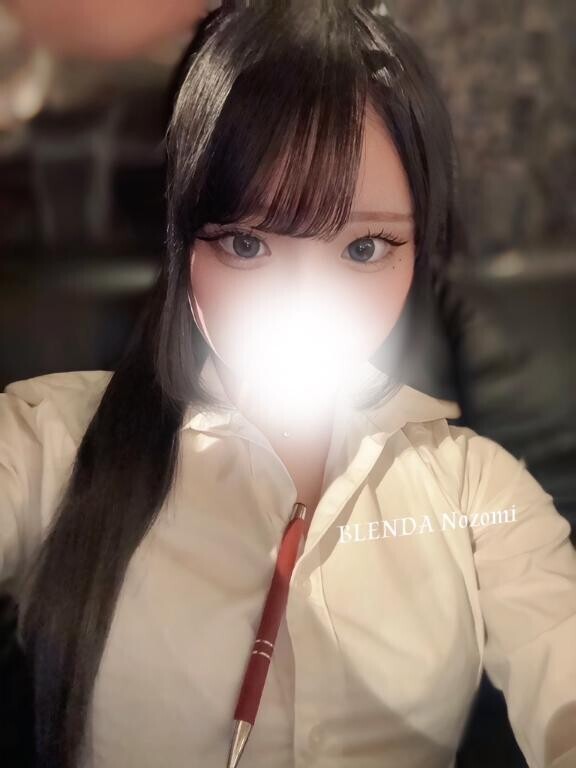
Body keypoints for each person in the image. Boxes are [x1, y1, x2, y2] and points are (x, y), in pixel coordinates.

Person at [1, 2, 575, 767]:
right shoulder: (53, 443)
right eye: (247, 242)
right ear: (183, 239)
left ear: (417, 253)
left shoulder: (474, 491)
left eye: (364, 248)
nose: (307, 305)